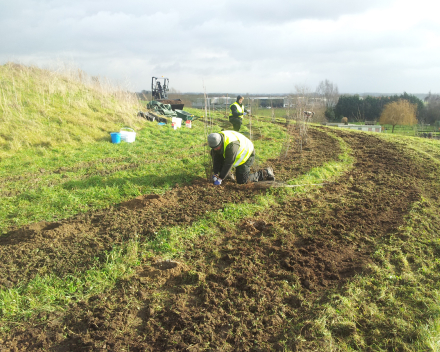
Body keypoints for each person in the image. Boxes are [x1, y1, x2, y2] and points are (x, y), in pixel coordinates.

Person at [207, 130, 275, 185]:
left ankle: (265, 172)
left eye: (216, 147)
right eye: (213, 148)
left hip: (246, 155)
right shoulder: (216, 139)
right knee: (215, 154)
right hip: (234, 153)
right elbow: (216, 157)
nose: (215, 149)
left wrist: (220, 178)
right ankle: (228, 175)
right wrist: (215, 173)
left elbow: (229, 162)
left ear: (220, 143)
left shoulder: (231, 146)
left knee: (242, 181)